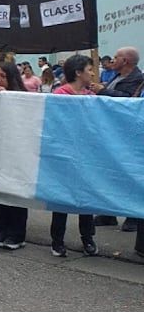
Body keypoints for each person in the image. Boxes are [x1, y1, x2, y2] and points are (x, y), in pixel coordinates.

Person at [48, 55, 99, 257]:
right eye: (89, 69)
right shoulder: (59, 94)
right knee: (61, 199)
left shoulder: (92, 97)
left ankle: (88, 238)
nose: (93, 73)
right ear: (78, 72)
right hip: (63, 155)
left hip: (86, 156)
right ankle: (57, 241)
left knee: (86, 198)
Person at [89, 46, 143, 230]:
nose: (112, 60)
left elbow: (128, 101)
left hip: (126, 134)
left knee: (129, 173)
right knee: (110, 172)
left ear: (125, 61)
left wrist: (103, 91)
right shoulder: (117, 76)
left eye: (116, 57)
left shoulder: (138, 79)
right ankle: (108, 213)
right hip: (110, 132)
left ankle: (134, 216)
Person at [0, 62, 31, 250]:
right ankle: (1, 229)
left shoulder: (24, 98)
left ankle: (17, 234)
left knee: (16, 194)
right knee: (0, 193)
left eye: (3, 76)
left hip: (18, 152)